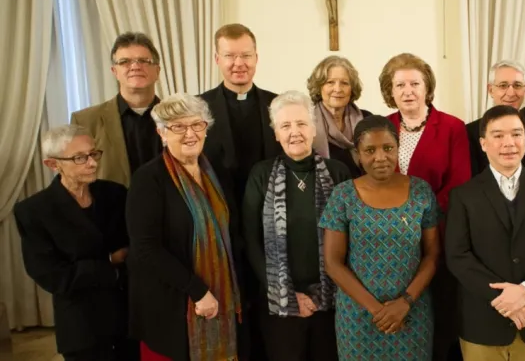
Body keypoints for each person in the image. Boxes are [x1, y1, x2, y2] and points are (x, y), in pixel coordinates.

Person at [447, 105, 525, 361]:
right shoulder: (463, 196)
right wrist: (504, 298)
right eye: (498, 135)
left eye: (516, 134)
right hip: (482, 324)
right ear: (483, 143)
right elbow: (457, 255)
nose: (509, 143)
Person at [126, 93, 244, 361]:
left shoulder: (215, 172)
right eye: (177, 126)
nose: (189, 133)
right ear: (161, 133)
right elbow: (146, 249)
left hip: (222, 295)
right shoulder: (148, 179)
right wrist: (198, 291)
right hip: (172, 303)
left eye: (197, 124)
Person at [320, 116, 441, 360]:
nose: (380, 157)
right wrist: (378, 311)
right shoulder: (343, 195)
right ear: (358, 154)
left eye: (388, 148)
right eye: (370, 150)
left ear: (397, 148)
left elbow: (432, 254)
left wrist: (404, 303)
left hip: (412, 313)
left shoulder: (421, 191)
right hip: (358, 316)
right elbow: (333, 263)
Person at [242, 90, 351, 360]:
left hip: (334, 302)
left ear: (314, 129)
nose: (295, 132)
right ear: (276, 133)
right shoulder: (261, 174)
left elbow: (353, 238)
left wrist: (320, 297)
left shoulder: (338, 172)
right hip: (279, 305)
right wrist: (291, 297)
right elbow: (251, 239)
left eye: (301, 124)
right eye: (285, 126)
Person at [14, 125, 136, 361]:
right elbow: (51, 275)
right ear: (53, 164)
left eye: (93, 154)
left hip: (128, 316)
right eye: (80, 158)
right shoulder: (34, 210)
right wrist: (111, 262)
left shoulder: (115, 193)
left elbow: (134, 246)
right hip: (81, 324)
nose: (92, 163)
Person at [380, 53, 470, 360]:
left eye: (415, 83)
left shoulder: (452, 127)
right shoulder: (383, 127)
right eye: (400, 84)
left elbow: (459, 184)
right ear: (389, 91)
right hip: (390, 239)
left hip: (438, 233)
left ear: (427, 87)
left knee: (441, 313)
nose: (408, 91)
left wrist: (418, 217)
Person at [200, 23, 280, 205]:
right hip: (218, 205)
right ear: (217, 59)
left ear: (256, 58)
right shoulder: (198, 107)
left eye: (246, 55)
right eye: (229, 56)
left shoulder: (278, 105)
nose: (239, 63)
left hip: (270, 207)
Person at [71, 32, 162, 186]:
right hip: (111, 209)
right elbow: (76, 180)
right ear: (115, 72)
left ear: (157, 71)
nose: (135, 66)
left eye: (143, 61)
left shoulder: (180, 117)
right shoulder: (85, 121)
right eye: (125, 61)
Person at [465, 61, 525, 177]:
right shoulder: (467, 134)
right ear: (490, 90)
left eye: (517, 85)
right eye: (503, 85)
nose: (510, 93)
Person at [307, 55, 373, 176]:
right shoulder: (306, 122)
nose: (337, 89)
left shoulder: (367, 119)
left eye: (344, 83)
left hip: (365, 190)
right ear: (319, 87)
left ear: (352, 88)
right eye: (330, 82)